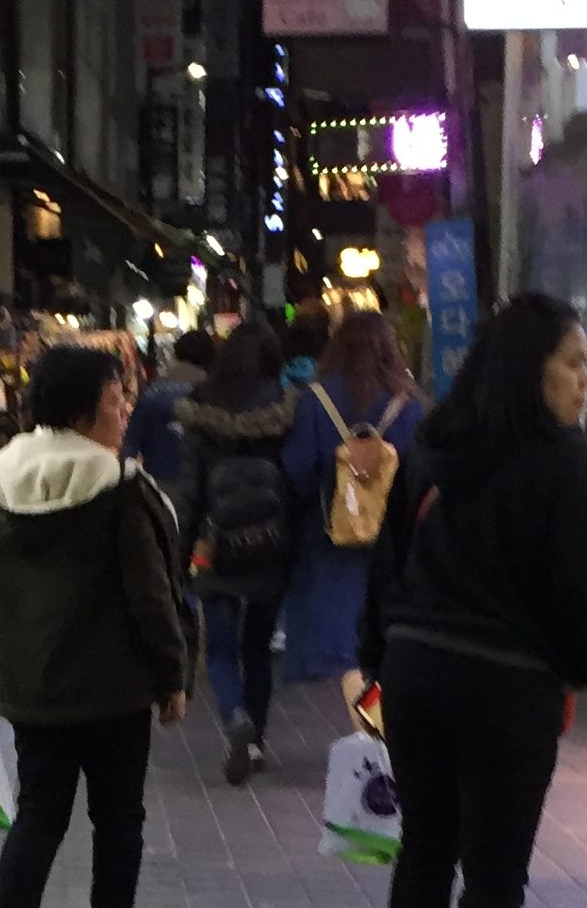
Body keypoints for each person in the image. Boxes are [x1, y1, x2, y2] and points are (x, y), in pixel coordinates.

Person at [354, 291, 587, 908]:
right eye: (572, 364)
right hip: (510, 690)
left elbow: (387, 564)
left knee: (427, 846)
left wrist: (379, 658)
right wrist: (577, 668)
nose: (585, 380)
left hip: (419, 675)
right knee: (496, 869)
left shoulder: (435, 447)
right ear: (531, 371)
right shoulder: (565, 464)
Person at [0, 338, 191, 908]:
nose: (124, 415)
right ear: (89, 413)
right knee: (119, 818)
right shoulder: (118, 488)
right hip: (114, 691)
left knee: (39, 814)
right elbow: (151, 596)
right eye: (117, 403)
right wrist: (172, 676)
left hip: (29, 688)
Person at [176, 317, 298, 784]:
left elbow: (189, 491)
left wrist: (181, 552)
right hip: (272, 541)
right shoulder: (287, 405)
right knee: (258, 645)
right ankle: (259, 740)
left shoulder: (202, 405)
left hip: (214, 542)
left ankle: (235, 719)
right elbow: (298, 478)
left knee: (221, 648)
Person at [284, 307, 422, 682]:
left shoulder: (316, 399)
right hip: (393, 542)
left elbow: (296, 471)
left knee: (335, 645)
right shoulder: (409, 403)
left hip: (329, 535)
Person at [125, 325, 209, 510]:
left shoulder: (152, 393)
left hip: (159, 485)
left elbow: (130, 445)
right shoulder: (211, 394)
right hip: (202, 487)